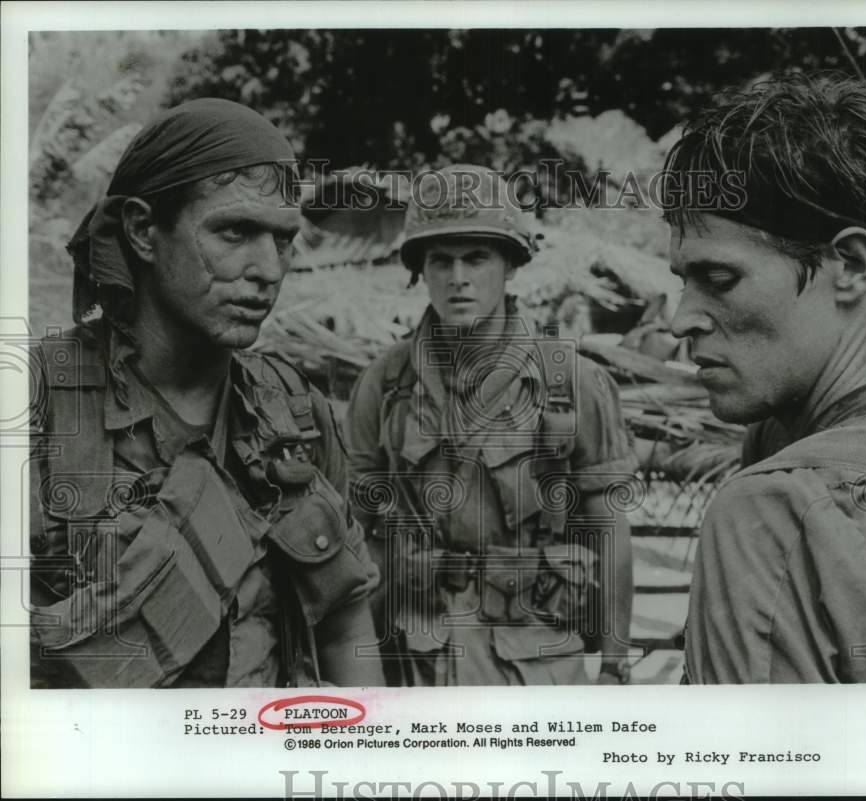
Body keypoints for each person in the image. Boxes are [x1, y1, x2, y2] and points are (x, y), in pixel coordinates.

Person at [29, 98, 384, 689]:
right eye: (236, 231)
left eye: (283, 240)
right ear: (144, 230)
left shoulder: (294, 413)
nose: (268, 268)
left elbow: (346, 628)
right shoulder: (37, 407)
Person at [663, 73, 866, 683]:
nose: (681, 319)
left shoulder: (774, 512)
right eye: (682, 281)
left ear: (852, 266)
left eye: (719, 279)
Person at [344, 164, 637, 686]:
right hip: (416, 663)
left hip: (535, 667)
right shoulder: (386, 383)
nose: (458, 277)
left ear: (509, 266)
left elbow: (608, 527)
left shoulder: (572, 382)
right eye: (441, 260)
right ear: (420, 271)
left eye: (476, 257)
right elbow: (357, 533)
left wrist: (614, 665)